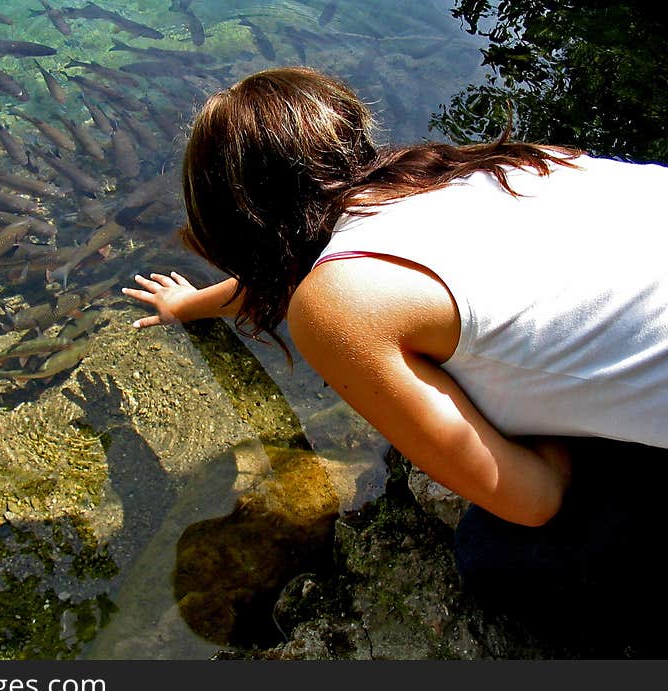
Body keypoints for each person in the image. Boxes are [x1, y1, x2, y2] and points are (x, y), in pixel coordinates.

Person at [121, 65, 668, 529]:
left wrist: (532, 418)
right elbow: (295, 271)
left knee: (491, 557)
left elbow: (536, 500)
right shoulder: (474, 168)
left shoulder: (335, 304)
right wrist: (187, 305)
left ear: (239, 225)